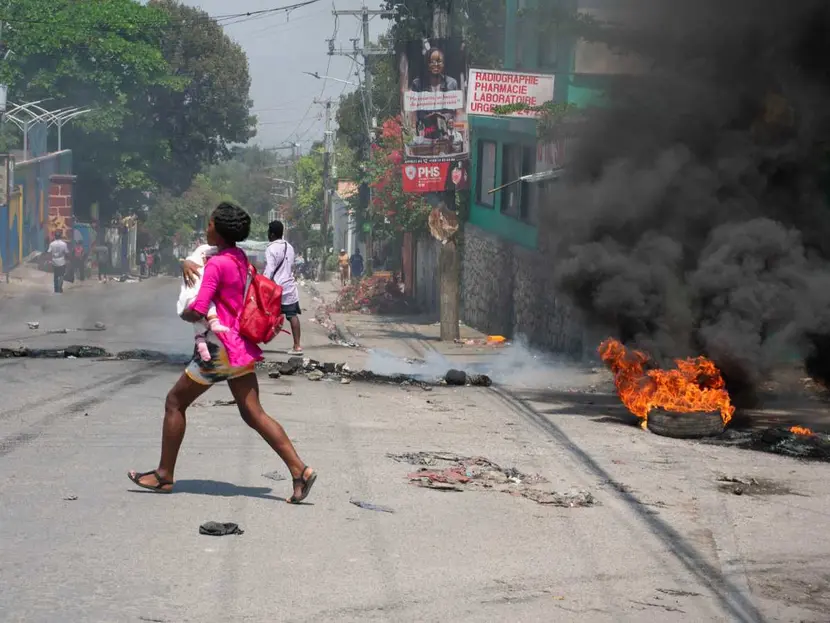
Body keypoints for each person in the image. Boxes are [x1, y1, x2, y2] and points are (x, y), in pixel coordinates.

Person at [128, 202, 316, 503]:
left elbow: (200, 308)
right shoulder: (238, 258)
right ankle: (300, 470)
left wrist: (185, 312)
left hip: (218, 349)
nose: (206, 228)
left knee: (174, 402)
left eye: (210, 224)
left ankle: (164, 475)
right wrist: (183, 263)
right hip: (238, 345)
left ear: (219, 229)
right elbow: (200, 257)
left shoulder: (216, 265)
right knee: (253, 413)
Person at [176, 243, 229, 362]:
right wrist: (185, 263)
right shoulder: (205, 254)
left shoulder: (227, 257)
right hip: (206, 306)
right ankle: (199, 354)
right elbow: (192, 260)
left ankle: (200, 353)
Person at [265, 220, 303, 356]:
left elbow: (270, 269)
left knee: (262, 313)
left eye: (269, 232)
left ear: (272, 234)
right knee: (292, 315)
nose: (268, 234)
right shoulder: (290, 247)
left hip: (275, 288)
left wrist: (262, 282)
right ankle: (297, 346)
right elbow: (291, 266)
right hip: (289, 287)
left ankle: (253, 341)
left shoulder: (271, 248)